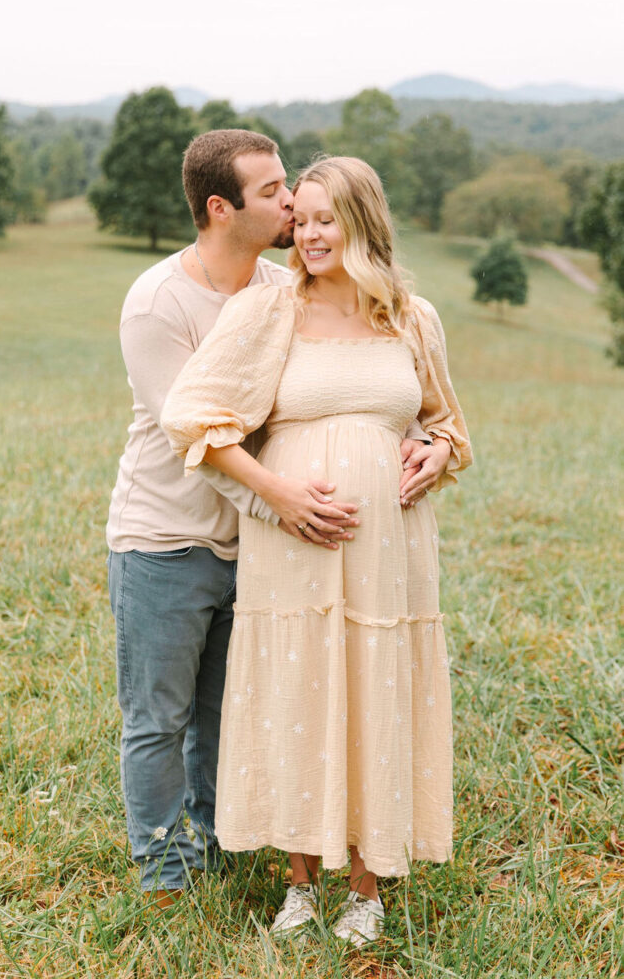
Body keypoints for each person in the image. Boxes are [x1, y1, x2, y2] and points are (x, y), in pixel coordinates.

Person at [106, 131, 437, 907]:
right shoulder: (167, 303)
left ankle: (223, 844)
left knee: (235, 709)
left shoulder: (279, 285)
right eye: (276, 194)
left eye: (303, 196)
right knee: (161, 715)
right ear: (221, 209)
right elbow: (193, 425)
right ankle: (166, 867)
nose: (293, 208)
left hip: (265, 545)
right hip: (171, 536)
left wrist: (437, 441)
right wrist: (282, 500)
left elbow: (422, 404)